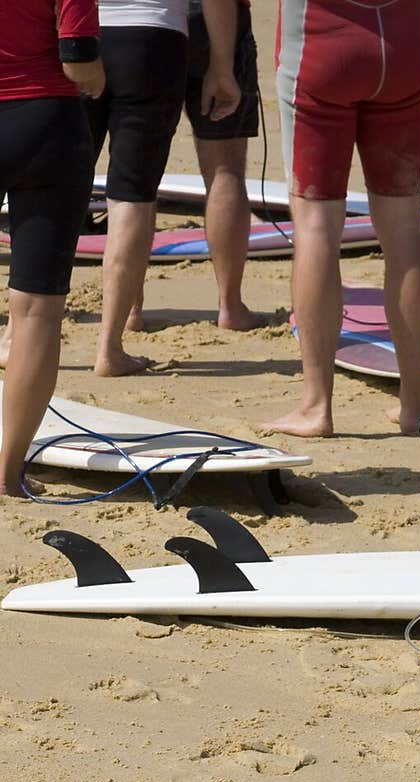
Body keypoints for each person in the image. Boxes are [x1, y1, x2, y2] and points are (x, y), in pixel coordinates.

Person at [265, 0, 420, 438]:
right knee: (405, 230)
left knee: (316, 228)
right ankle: (415, 403)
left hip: (323, 49)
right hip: (403, 48)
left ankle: (317, 405)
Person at [86, 0, 240, 377]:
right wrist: (222, 65)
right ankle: (109, 346)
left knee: (57, 186)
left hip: (81, 33)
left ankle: (17, 334)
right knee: (132, 196)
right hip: (154, 37)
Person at [0, 0, 105, 499]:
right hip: (43, 120)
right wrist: (97, 78)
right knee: (37, 307)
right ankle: (6, 471)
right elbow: (78, 55)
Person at [127, 0, 260, 333]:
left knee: (134, 175)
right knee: (225, 169)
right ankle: (230, 305)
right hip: (215, 19)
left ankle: (129, 307)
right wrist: (225, 62)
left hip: (140, 20)